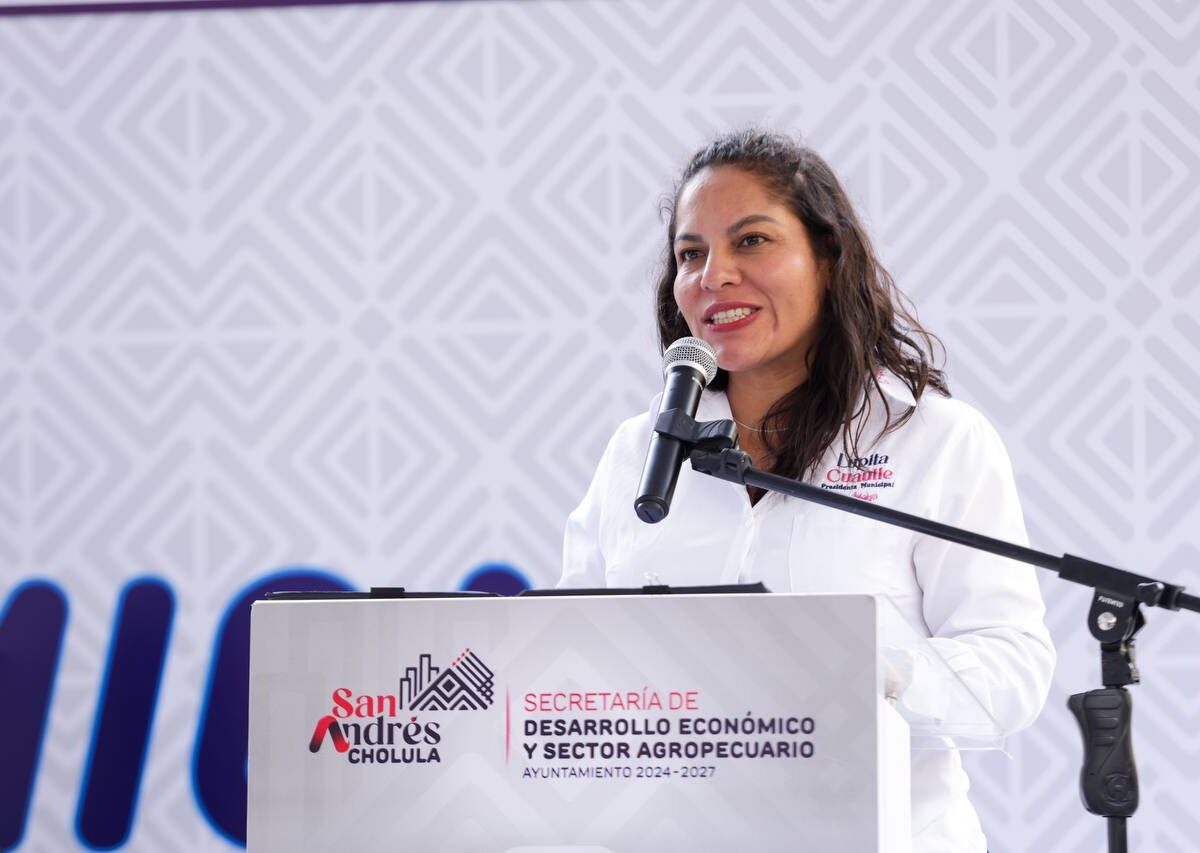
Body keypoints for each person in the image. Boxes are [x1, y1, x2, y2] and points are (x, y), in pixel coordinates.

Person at [558, 129, 1055, 852]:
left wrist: (872, 670)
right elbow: (570, 660)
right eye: (690, 254)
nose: (714, 275)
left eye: (751, 241)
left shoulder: (932, 438)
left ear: (828, 257)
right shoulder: (638, 452)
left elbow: (1013, 669)